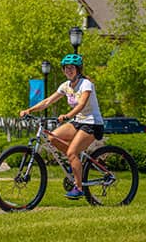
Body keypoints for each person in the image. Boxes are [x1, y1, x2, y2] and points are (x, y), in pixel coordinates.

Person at [20, 53, 104, 199]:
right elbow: (48, 101)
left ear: (78, 69)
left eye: (72, 68)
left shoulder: (86, 84)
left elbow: (82, 103)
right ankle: (75, 164)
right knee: (52, 138)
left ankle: (78, 188)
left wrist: (68, 116)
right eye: (66, 68)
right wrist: (30, 110)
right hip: (78, 122)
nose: (68, 70)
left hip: (92, 123)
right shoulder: (65, 86)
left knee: (71, 152)